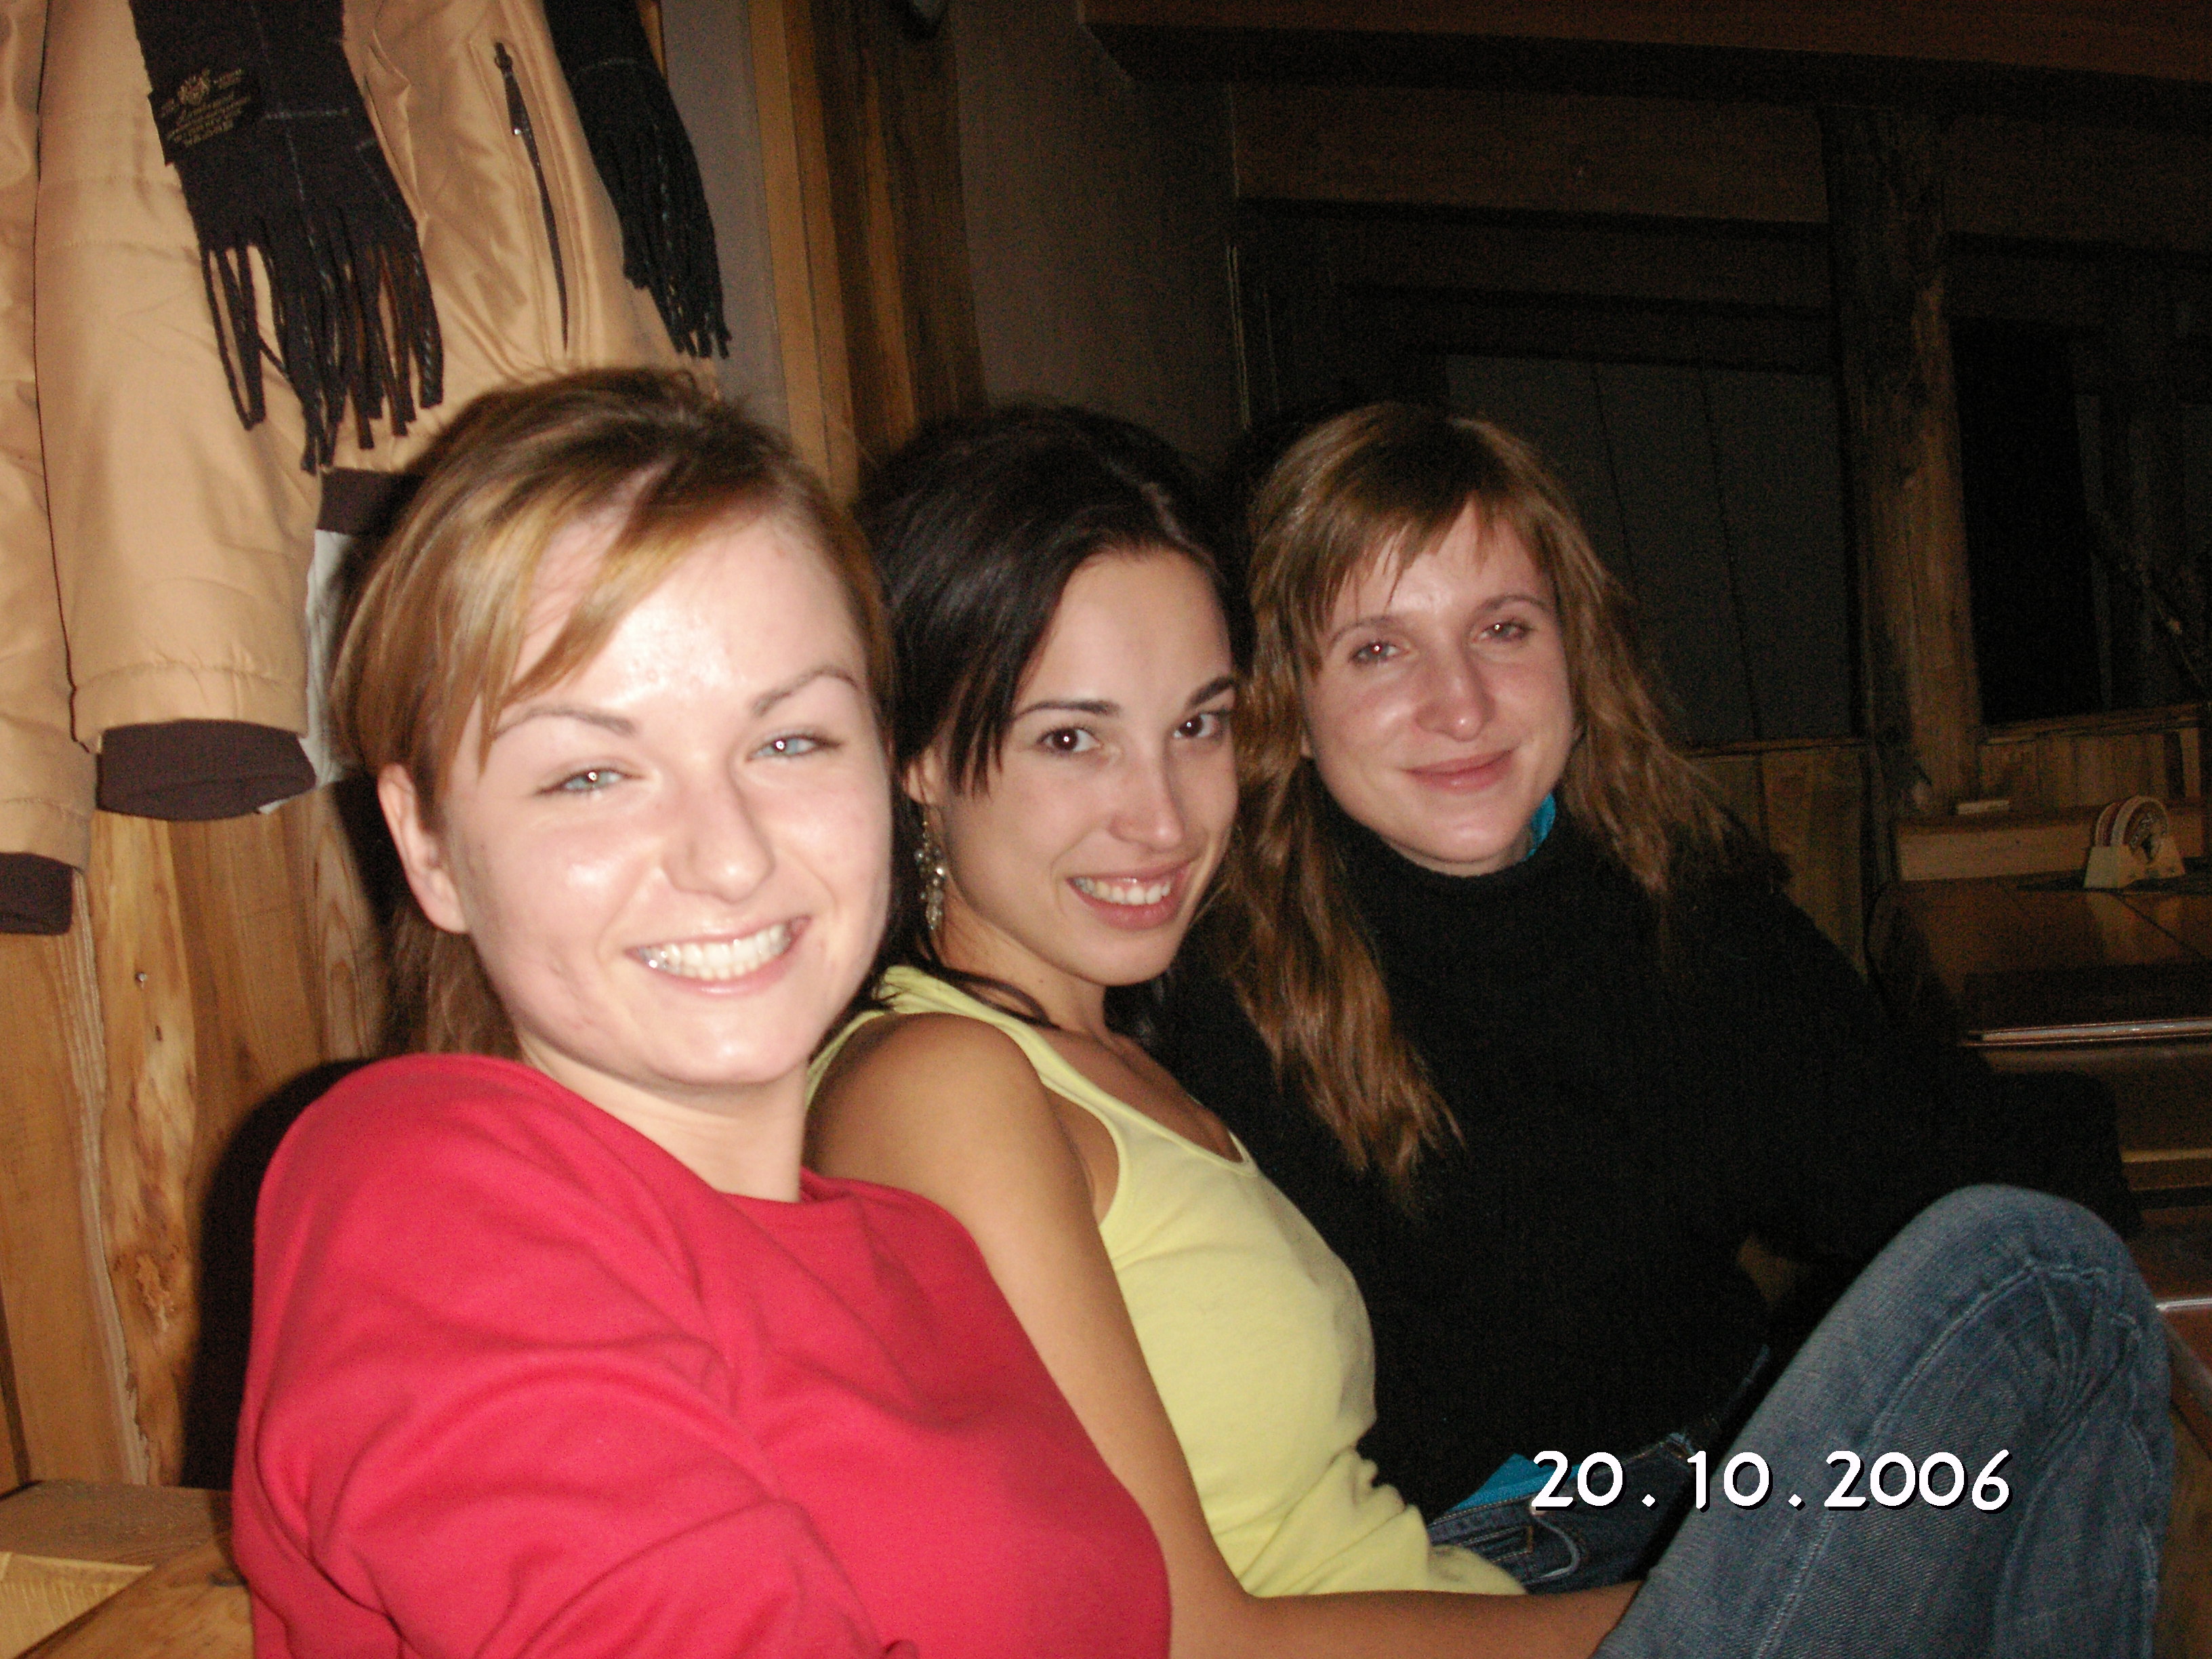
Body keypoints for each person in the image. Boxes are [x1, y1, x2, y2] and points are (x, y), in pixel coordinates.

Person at [807, 403, 2171, 1658]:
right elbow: (1180, 1623)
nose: (1160, 817)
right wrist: (1706, 1603)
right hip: (1537, 1549)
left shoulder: (1113, 1034)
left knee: (2040, 1319)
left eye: (1195, 725)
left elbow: (1896, 1144)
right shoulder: (1124, 1010)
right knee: (2037, 1279)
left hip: (1702, 1477)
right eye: (1070, 739)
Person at [228, 371, 1172, 1659]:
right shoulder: (416, 1195)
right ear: (429, 846)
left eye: (790, 744)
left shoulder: (924, 1253)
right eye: (592, 774)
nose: (728, 857)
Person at [1155, 401, 2142, 1593]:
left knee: (2070, 1335)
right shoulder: (1227, 977)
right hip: (1485, 1548)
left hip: (1745, 1461)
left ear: (1576, 651)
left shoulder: (1675, 890)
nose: (1461, 704)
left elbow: (1907, 1155)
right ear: (1287, 705)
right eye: (1377, 650)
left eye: (1503, 629)